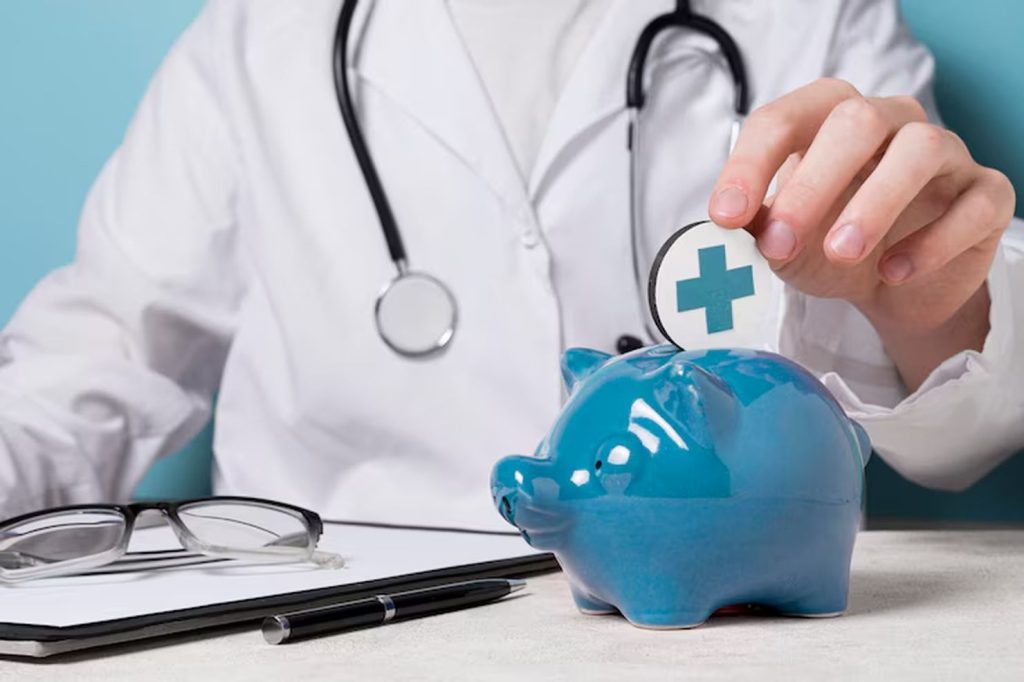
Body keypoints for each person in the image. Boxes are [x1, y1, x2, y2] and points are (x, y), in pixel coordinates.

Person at [0, 0, 1020, 530]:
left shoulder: (808, 19)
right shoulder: (261, 33)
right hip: (331, 625)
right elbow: (97, 358)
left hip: (702, 626)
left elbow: (956, 428)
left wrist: (923, 299)